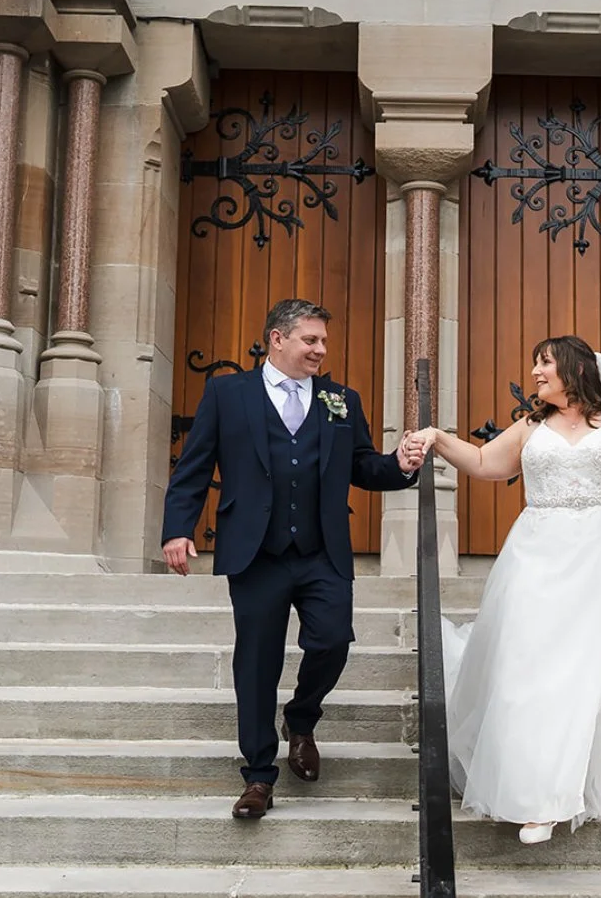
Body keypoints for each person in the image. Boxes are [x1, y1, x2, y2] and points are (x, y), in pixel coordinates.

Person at [161, 299, 424, 819]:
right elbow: (194, 467)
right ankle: (259, 775)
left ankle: (300, 718)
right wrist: (177, 530)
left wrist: (400, 464)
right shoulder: (227, 393)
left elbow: (363, 467)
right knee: (256, 664)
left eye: (323, 341)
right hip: (255, 552)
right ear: (277, 339)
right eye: (311, 340)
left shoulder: (340, 399)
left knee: (332, 641)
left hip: (321, 549)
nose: (321, 350)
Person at [411, 335, 601, 844]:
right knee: (528, 664)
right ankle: (532, 786)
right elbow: (486, 464)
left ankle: (548, 800)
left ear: (573, 368)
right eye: (535, 363)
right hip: (537, 555)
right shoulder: (531, 426)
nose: (535, 372)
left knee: (582, 669)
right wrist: (437, 438)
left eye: (544, 362)